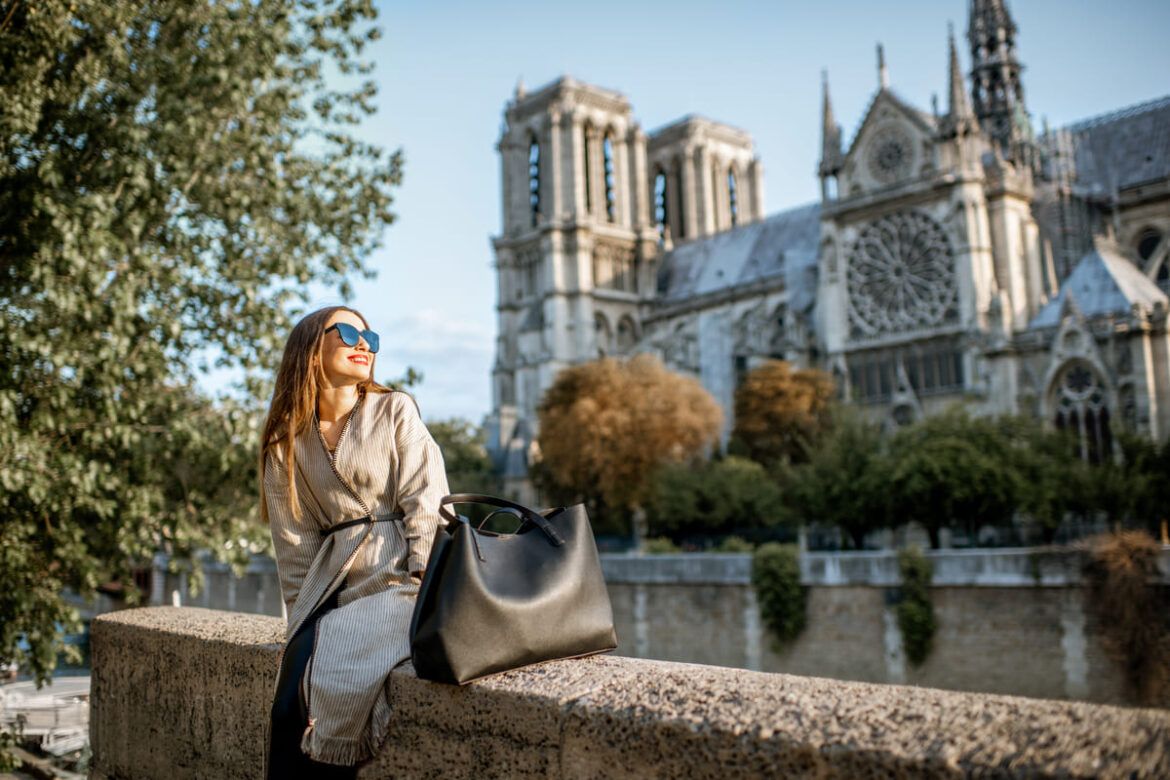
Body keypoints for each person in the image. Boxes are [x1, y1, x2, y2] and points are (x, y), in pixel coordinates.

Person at [259, 305, 450, 777]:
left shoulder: (394, 409)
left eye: (371, 337)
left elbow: (427, 497)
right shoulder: (286, 444)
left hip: (401, 579)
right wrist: (298, 622)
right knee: (289, 705)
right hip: (332, 584)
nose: (364, 344)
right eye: (347, 333)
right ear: (310, 348)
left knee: (339, 687)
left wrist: (425, 574)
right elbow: (294, 544)